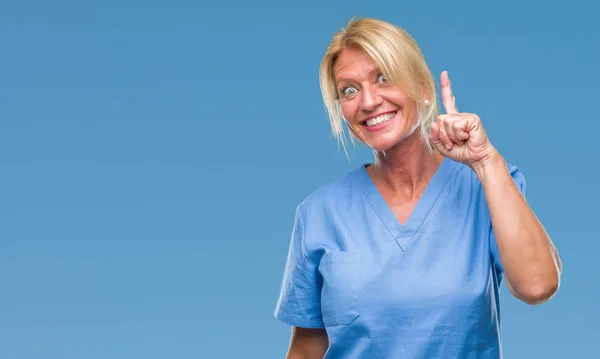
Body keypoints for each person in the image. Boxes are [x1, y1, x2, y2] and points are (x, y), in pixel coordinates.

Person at [273, 17, 562, 358]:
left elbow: (537, 286)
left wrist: (486, 162)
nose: (368, 101)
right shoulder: (319, 214)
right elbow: (308, 347)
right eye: (349, 90)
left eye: (384, 78)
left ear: (424, 90)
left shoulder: (486, 185)